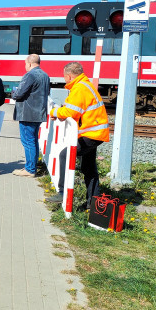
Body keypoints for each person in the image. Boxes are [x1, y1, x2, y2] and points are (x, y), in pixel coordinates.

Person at [48, 62, 109, 209]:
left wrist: (53, 112)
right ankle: (92, 203)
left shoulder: (80, 88)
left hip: (91, 133)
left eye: (65, 77)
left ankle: (62, 192)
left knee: (65, 155)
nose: (64, 80)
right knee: (89, 168)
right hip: (94, 132)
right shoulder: (84, 85)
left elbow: (71, 112)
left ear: (69, 76)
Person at [11, 54, 50, 177]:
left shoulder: (30, 75)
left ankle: (29, 169)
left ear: (29, 63)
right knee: (33, 141)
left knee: (28, 141)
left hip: (28, 114)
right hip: (38, 113)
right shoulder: (45, 75)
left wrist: (13, 92)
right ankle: (32, 166)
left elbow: (19, 94)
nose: (25, 66)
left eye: (25, 64)